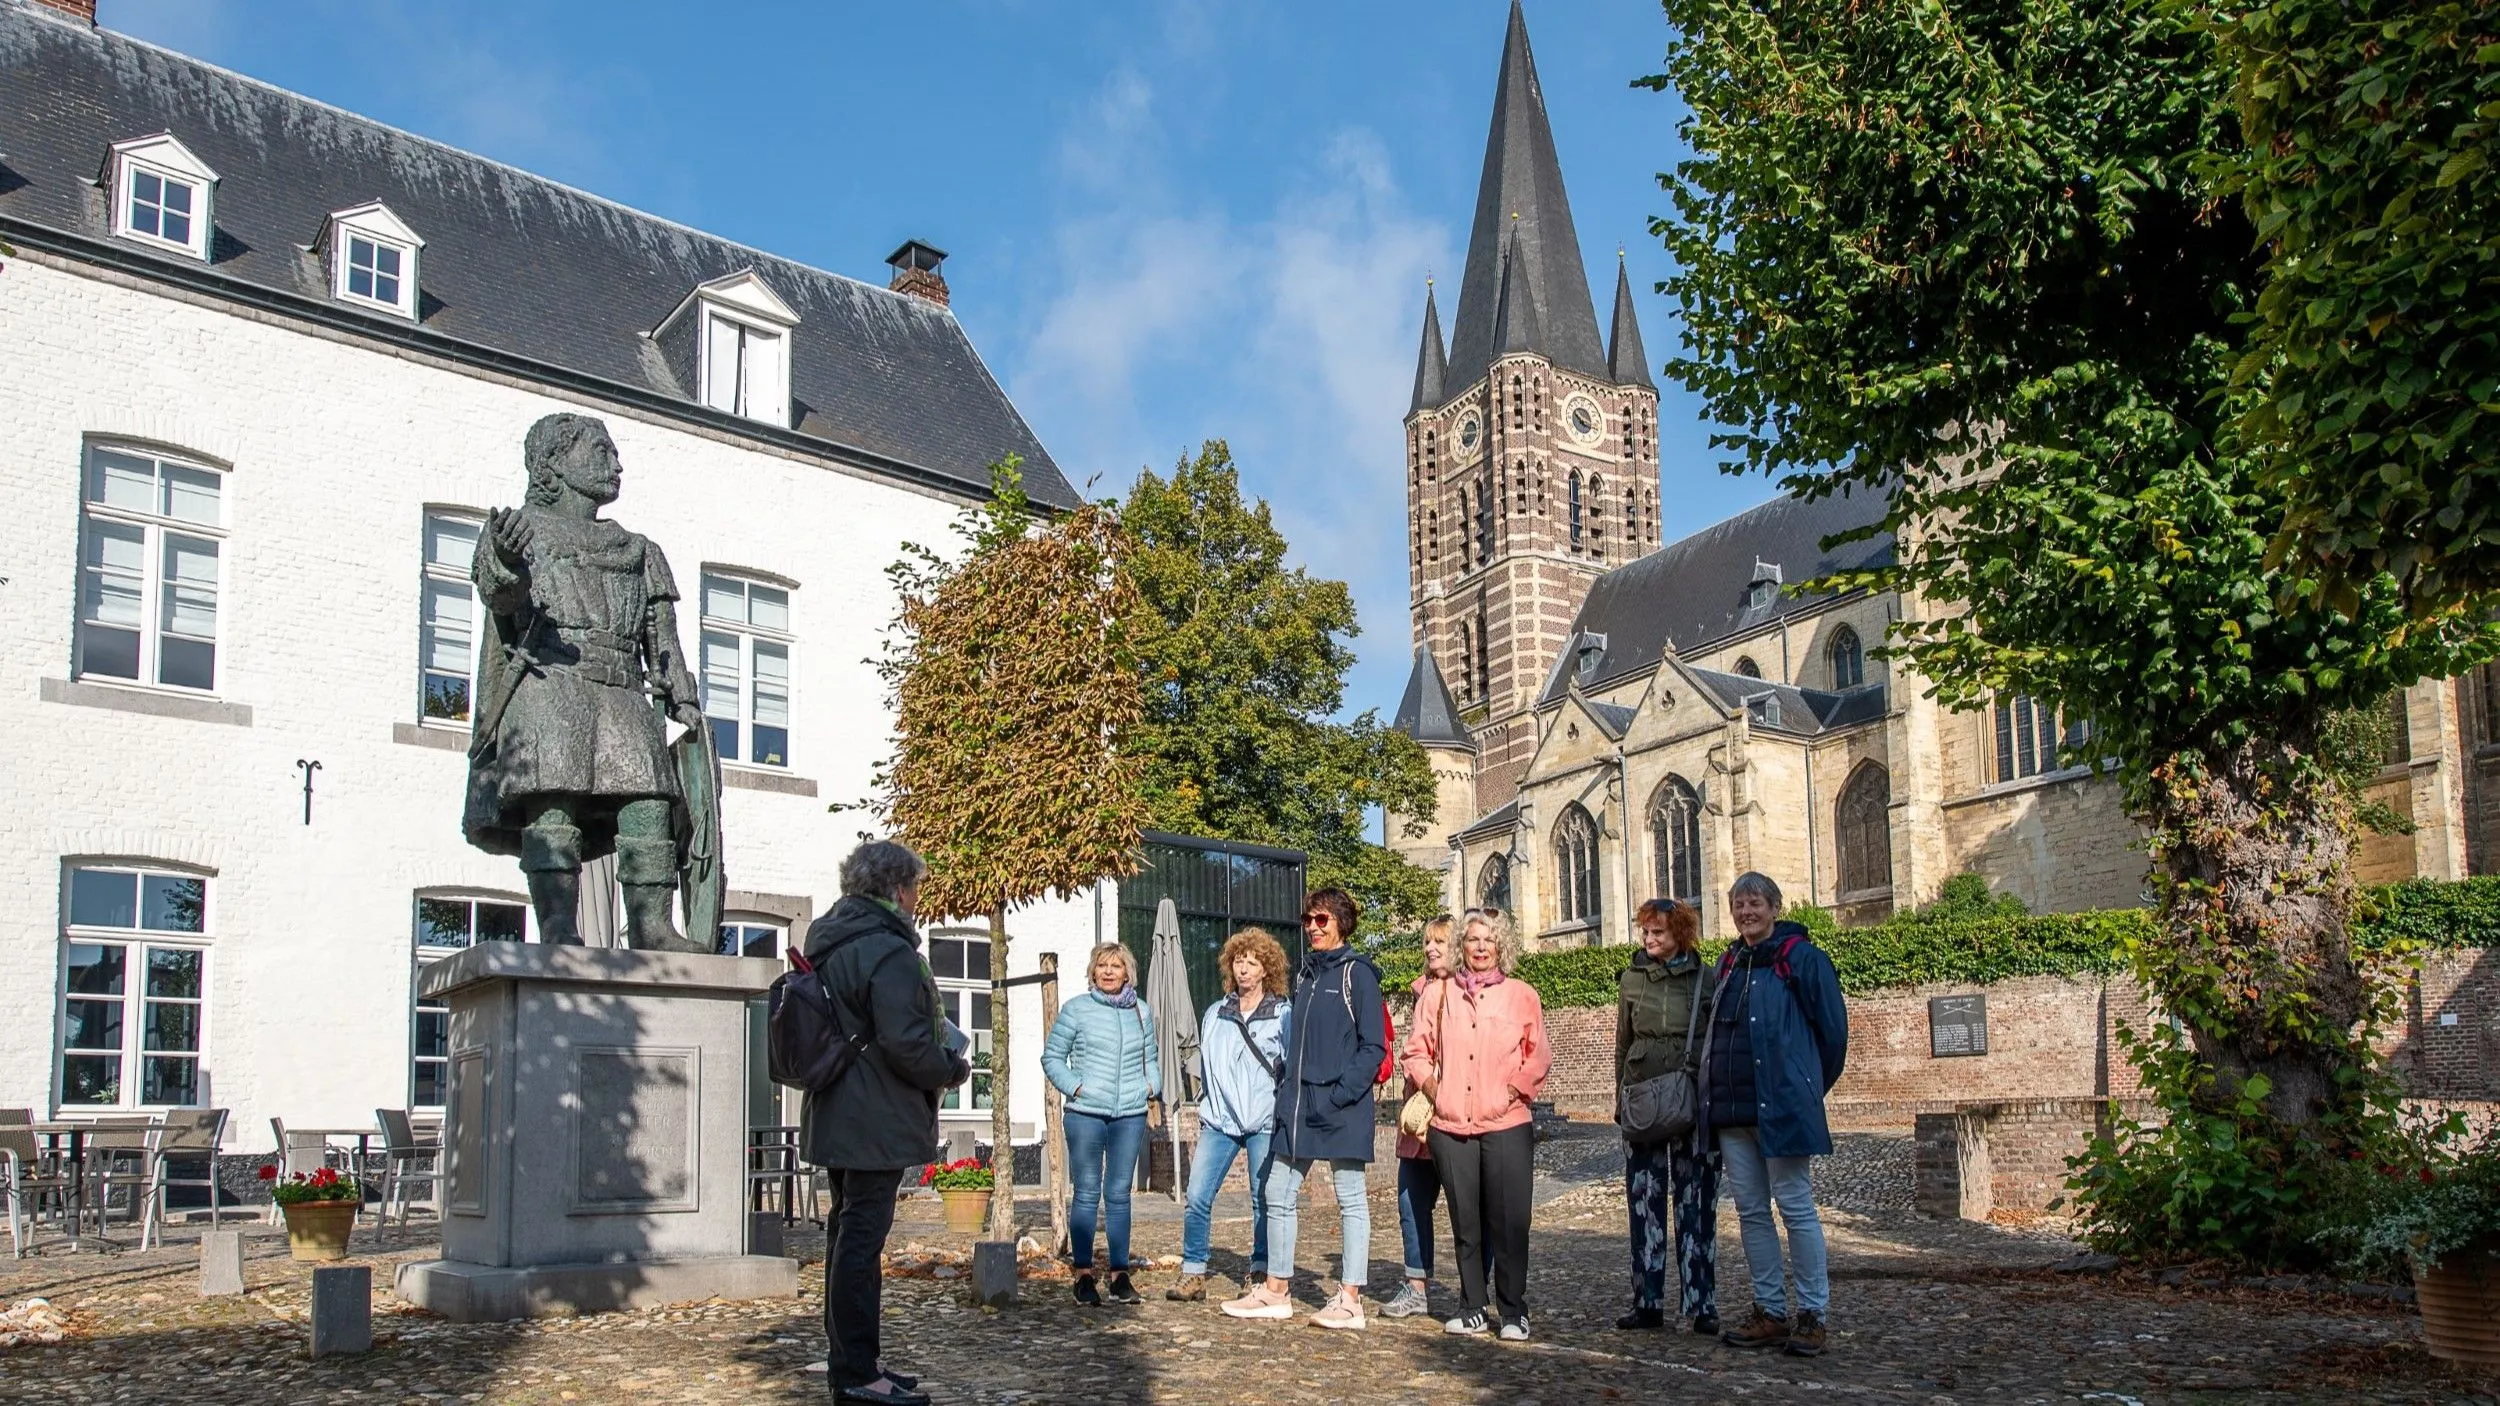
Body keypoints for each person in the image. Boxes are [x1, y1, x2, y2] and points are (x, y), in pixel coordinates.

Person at [799, 839, 970, 1406]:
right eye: (916, 888)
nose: (919, 899)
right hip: (873, 1116)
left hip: (838, 1109)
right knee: (859, 1244)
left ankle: (855, 1363)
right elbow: (907, 1041)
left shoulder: (829, 939)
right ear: (897, 889)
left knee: (847, 1238)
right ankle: (855, 1374)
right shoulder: (887, 950)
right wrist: (952, 1067)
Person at [1220, 887, 1387, 1329]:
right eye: (1308, 920)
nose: (1313, 927)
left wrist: (1339, 1095)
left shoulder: (1359, 974)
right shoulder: (1306, 975)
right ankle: (1277, 1289)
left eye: (1322, 920)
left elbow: (1373, 1047)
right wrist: (1288, 1095)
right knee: (1277, 1191)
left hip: (1341, 1104)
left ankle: (1351, 1298)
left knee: (1350, 1198)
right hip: (1298, 1106)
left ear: (1341, 923)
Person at [1701, 872, 1849, 1357]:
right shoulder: (1728, 962)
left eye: (1756, 903)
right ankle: (1769, 1310)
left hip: (1782, 1108)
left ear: (1774, 907)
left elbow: (1832, 1037)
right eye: (1739, 904)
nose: (1747, 912)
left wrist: (1804, 1090)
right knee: (1750, 1213)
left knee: (1796, 1208)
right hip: (1733, 1112)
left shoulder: (1803, 960)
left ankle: (1813, 1314)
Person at [1405, 908, 1551, 1340]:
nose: (1481, 947)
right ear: (1461, 946)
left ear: (1501, 945)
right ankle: (1471, 1306)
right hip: (1451, 1126)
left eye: (1489, 939)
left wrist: (1512, 1092)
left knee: (1509, 1222)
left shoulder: (1522, 994)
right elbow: (1416, 1050)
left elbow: (1537, 1055)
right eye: (1473, 940)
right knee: (1465, 1221)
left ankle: (1512, 1310)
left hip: (1507, 1123)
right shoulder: (1439, 994)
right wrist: (1436, 1089)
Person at [1615, 898, 1721, 1336]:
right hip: (1642, 1104)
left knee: (1696, 1205)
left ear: (1681, 933)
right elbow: (1622, 1043)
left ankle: (1701, 1304)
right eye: (1645, 930)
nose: (1649, 938)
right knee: (1644, 1204)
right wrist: (1619, 1102)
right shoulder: (1631, 979)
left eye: (1658, 931)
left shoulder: (1706, 978)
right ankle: (1648, 1301)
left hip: (1692, 1105)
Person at [1170, 927, 1292, 1301]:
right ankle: (1193, 1272)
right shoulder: (1215, 1014)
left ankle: (1259, 1269)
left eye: (1252, 963)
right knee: (1197, 1194)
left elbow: (1289, 1066)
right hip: (1220, 1120)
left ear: (1266, 970)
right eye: (1239, 961)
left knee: (1263, 1197)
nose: (1244, 969)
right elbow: (1206, 1064)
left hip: (1262, 1120)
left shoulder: (1282, 1013)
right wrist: (1208, 1105)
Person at [1041, 941, 1160, 1307]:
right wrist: (1076, 1086)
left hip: (1129, 1114)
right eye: (1102, 966)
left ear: (1128, 973)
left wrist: (1150, 1086)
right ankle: (1083, 1275)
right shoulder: (1077, 1009)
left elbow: (1151, 1059)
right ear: (1092, 972)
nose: (1108, 972)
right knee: (1088, 1192)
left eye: (1116, 966)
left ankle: (1119, 1276)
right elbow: (1052, 1057)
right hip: (1085, 1115)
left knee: (1120, 1194)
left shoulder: (1141, 1011)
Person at [1382, 913, 1486, 1319]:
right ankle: (1416, 1284)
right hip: (1421, 1116)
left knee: (1468, 1208)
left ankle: (1473, 1290)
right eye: (1427, 942)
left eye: (1439, 942)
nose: (1430, 949)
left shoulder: (1471, 990)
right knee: (1411, 1202)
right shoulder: (1420, 990)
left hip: (1457, 1115)